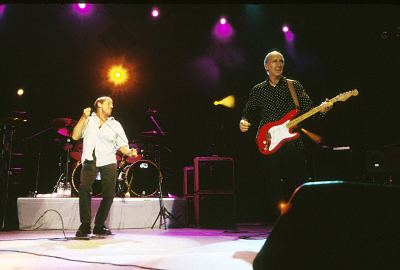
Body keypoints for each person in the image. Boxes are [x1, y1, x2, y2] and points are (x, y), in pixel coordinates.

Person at [239, 50, 333, 220]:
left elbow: (310, 111)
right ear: (266, 66)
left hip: (292, 143)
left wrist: (323, 109)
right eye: (274, 61)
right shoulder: (258, 90)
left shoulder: (293, 86)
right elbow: (248, 112)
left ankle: (305, 219)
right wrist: (243, 121)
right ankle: (279, 224)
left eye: (281, 61)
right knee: (274, 187)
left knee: (301, 183)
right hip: (268, 143)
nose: (279, 64)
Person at [72, 96, 137, 237]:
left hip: (108, 160)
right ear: (99, 104)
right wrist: (83, 117)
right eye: (109, 103)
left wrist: (130, 152)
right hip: (90, 159)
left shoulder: (115, 125)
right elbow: (75, 136)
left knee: (109, 194)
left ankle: (99, 225)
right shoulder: (89, 120)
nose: (112, 106)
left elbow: (123, 146)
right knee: (84, 188)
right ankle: (85, 225)